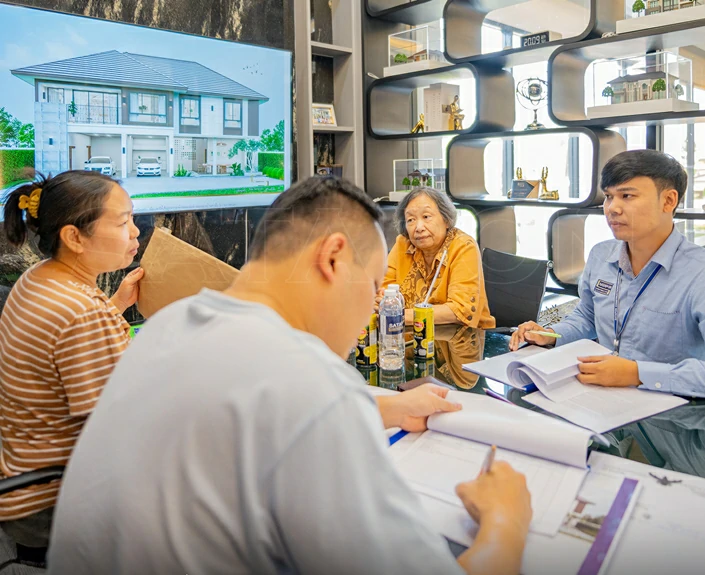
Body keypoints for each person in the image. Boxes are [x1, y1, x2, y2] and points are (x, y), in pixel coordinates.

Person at [48, 177, 531, 575]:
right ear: (333, 257)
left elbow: (245, 411)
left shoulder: (169, 324)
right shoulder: (312, 384)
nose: (371, 309)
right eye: (372, 287)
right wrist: (505, 521)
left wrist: (384, 406)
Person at [0, 171, 142, 549]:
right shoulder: (82, 312)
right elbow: (114, 432)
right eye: (122, 222)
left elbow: (65, 347)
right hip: (50, 505)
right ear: (74, 237)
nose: (135, 233)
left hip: (22, 476)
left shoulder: (41, 277)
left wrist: (116, 305)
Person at [511, 150, 705, 397]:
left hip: (675, 410)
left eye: (627, 196)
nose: (612, 208)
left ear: (668, 201)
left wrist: (637, 374)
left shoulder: (698, 272)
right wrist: (550, 335)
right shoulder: (601, 255)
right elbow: (587, 317)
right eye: (609, 196)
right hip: (599, 397)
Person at [378, 187, 495, 329]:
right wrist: (380, 300)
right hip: (411, 335)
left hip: (464, 337)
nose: (419, 227)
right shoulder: (403, 244)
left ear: (446, 219)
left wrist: (398, 316)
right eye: (410, 220)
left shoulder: (463, 246)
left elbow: (460, 310)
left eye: (426, 217)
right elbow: (383, 293)